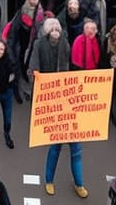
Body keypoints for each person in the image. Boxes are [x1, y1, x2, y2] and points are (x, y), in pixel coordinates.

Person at [28, 17, 88, 199]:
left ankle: (79, 184)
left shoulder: (66, 45)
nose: (55, 28)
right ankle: (49, 180)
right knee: (55, 147)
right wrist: (36, 76)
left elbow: (74, 66)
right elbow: (32, 68)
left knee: (76, 149)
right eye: (51, 26)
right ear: (46, 31)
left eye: (57, 26)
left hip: (67, 98)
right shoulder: (39, 45)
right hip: (51, 101)